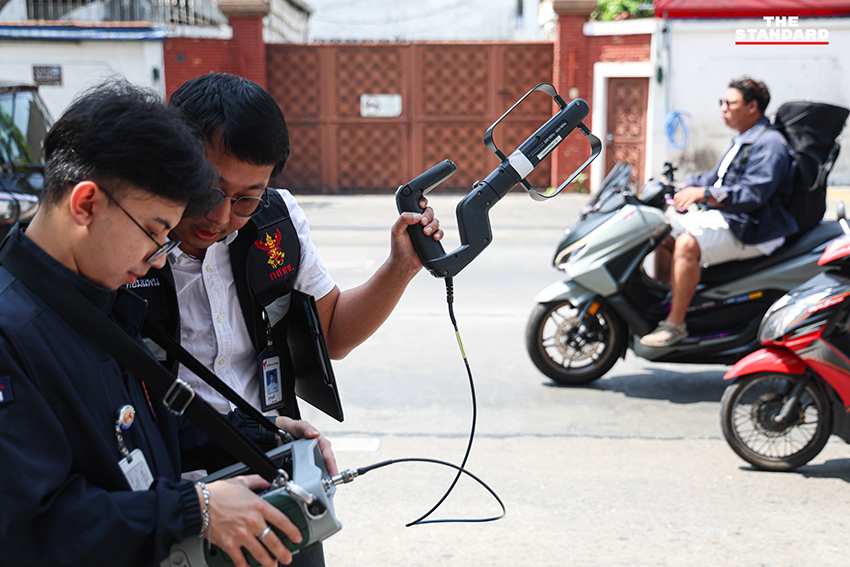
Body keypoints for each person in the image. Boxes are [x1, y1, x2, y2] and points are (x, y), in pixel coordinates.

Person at [0, 81, 334, 567]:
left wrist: (258, 431)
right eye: (154, 231)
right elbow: (32, 525)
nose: (158, 260)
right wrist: (191, 507)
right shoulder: (13, 333)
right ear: (86, 204)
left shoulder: (93, 299)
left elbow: (138, 421)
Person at [640, 76, 796, 348]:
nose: (723, 108)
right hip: (734, 219)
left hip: (755, 227)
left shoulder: (770, 144)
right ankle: (668, 299)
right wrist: (681, 185)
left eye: (730, 103)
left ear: (752, 107)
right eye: (721, 102)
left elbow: (752, 194)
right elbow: (716, 178)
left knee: (687, 243)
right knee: (660, 232)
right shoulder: (745, 139)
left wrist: (705, 194)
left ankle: (676, 324)